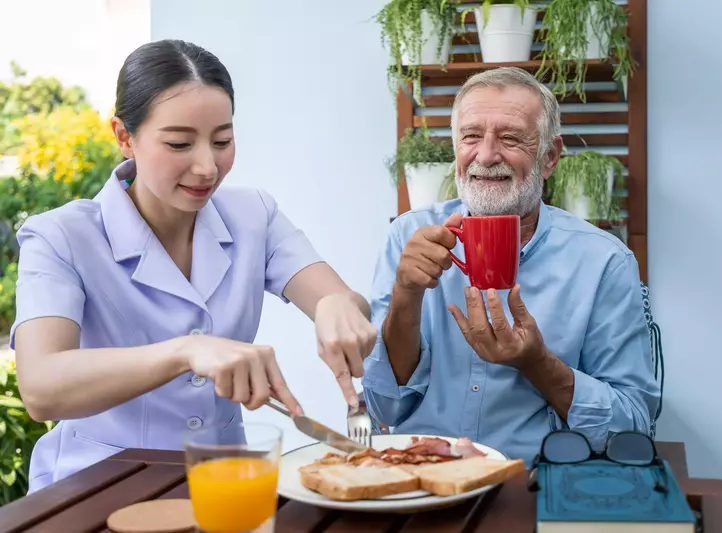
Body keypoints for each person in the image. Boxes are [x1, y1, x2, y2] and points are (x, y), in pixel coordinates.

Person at [11, 39, 377, 493]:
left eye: (222, 141)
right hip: (96, 490)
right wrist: (187, 350)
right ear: (125, 137)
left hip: (224, 486)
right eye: (180, 143)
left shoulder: (253, 215)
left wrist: (338, 304)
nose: (207, 166)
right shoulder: (60, 236)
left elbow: (338, 299)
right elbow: (42, 387)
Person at [362, 67, 660, 464]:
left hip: (535, 482)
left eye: (510, 138)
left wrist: (538, 364)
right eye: (471, 136)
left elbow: (632, 426)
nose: (486, 155)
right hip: (424, 474)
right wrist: (406, 294)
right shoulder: (408, 236)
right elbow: (384, 408)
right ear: (455, 151)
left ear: (549, 156)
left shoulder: (605, 261)